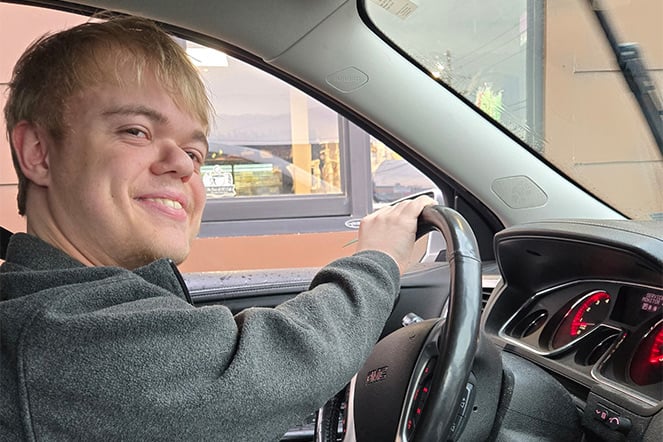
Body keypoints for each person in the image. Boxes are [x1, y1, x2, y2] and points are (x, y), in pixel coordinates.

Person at [0, 16, 435, 441]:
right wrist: (378, 261)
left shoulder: (68, 303)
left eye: (195, 152)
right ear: (38, 153)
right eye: (136, 131)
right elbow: (267, 368)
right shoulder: (57, 333)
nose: (182, 164)